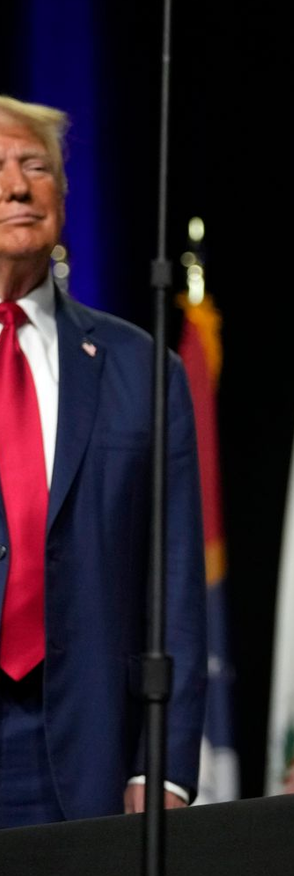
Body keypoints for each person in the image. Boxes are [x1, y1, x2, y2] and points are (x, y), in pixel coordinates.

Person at [0, 95, 205, 826]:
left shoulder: (139, 367)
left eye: (37, 167)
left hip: (86, 751)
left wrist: (166, 765)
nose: (20, 187)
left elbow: (175, 580)